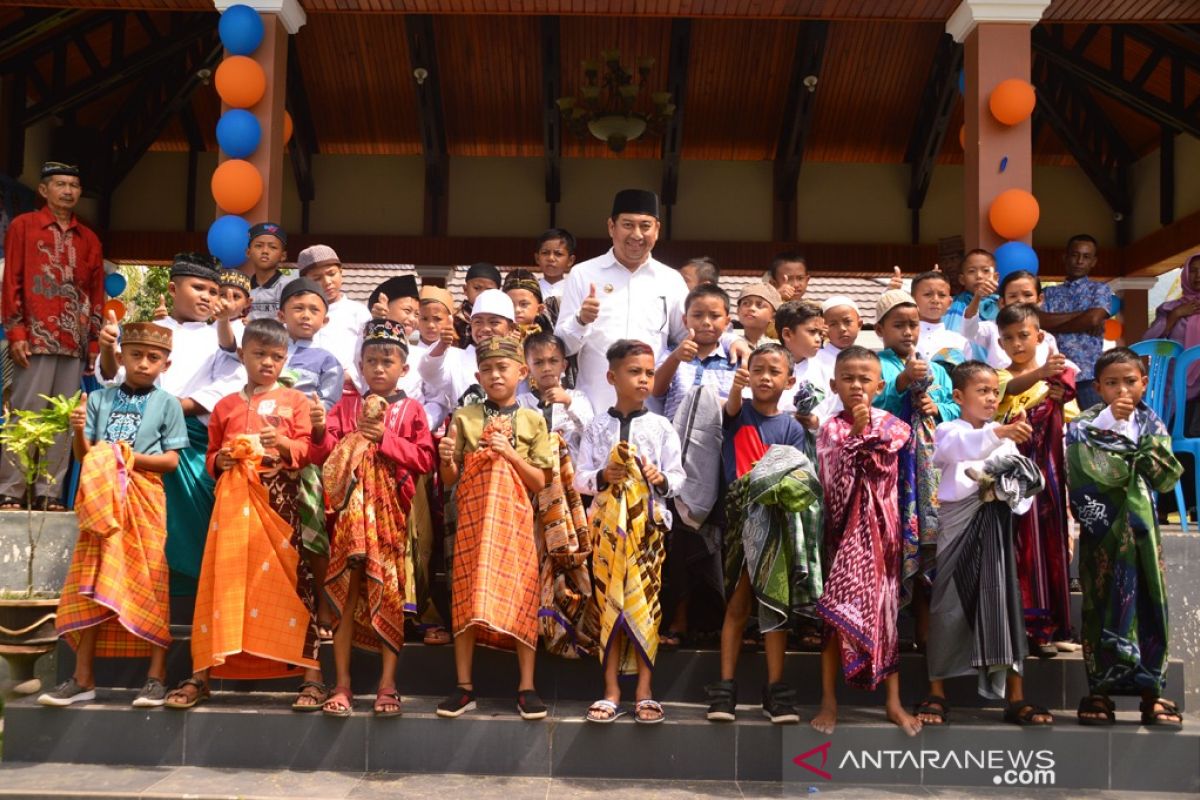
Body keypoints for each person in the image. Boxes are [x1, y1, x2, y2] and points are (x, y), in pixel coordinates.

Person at [166, 318, 322, 711]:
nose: (268, 363)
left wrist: (282, 442)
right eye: (259, 354)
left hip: (280, 501)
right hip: (233, 505)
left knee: (292, 582)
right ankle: (202, 674)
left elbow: (308, 452)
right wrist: (226, 456)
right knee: (223, 583)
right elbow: (210, 460)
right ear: (242, 355)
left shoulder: (296, 401)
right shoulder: (225, 405)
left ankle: (312, 676)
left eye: (277, 356)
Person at [38, 323, 185, 708]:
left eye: (153, 358)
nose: (144, 363)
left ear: (166, 365)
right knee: (92, 581)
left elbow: (171, 461)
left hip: (145, 499)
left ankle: (157, 676)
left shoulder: (168, 403)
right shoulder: (100, 399)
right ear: (120, 358)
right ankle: (82, 678)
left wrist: (130, 457)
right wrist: (78, 433)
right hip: (102, 500)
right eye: (135, 355)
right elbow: (85, 455)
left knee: (150, 580)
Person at [309, 319, 436, 718]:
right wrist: (317, 430)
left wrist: (385, 439)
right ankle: (342, 683)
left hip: (392, 518)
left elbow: (425, 459)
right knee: (346, 597)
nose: (379, 368)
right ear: (360, 366)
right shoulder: (346, 405)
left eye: (387, 361)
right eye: (371, 361)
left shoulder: (411, 410)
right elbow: (324, 456)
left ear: (404, 368)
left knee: (390, 595)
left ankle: (387, 684)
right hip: (348, 519)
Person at [96, 253, 242, 595]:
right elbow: (114, 376)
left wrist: (174, 408)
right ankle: (140, 585)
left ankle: (192, 591)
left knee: (197, 514)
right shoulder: (147, 330)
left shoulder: (223, 336)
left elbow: (229, 381)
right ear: (174, 289)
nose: (208, 297)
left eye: (213, 291)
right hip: (143, 434)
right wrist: (106, 348)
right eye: (199, 288)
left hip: (194, 439)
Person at [922, 360, 1049, 727]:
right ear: (959, 396)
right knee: (948, 608)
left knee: (1003, 607)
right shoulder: (948, 429)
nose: (991, 398)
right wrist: (998, 435)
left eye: (995, 391)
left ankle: (1016, 697)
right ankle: (937, 692)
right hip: (958, 530)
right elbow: (959, 449)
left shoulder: (1005, 437)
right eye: (983, 391)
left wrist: (1009, 489)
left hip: (996, 528)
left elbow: (1023, 490)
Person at [436, 335, 554, 720]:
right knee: (466, 593)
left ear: (522, 372)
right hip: (472, 515)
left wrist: (508, 455)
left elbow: (540, 481)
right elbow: (451, 479)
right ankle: (464, 686)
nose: (494, 375)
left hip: (517, 519)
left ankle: (527, 686)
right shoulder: (464, 417)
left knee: (522, 595)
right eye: (486, 369)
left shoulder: (534, 419)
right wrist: (446, 460)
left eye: (503, 367)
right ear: (477, 375)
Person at [1068, 348, 1184, 729]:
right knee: (1100, 605)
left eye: (1130, 381)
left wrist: (1135, 453)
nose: (1122, 389)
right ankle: (1100, 691)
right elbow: (1081, 476)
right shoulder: (1083, 425)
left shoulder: (1152, 424)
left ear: (1144, 383)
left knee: (1150, 604)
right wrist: (1110, 430)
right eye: (1112, 382)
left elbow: (1166, 475)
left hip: (1142, 532)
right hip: (1103, 534)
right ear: (1098, 387)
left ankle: (1152, 692)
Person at [706, 343, 821, 725]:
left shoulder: (791, 427)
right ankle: (724, 689)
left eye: (774, 371)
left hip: (774, 524)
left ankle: (776, 691)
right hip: (739, 521)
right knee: (737, 606)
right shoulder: (737, 413)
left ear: (790, 381)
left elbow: (794, 474)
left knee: (774, 607)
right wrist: (736, 387)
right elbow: (731, 409)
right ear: (747, 375)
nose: (765, 377)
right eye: (758, 370)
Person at [813, 346, 921, 736]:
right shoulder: (829, 428)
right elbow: (833, 482)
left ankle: (892, 702)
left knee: (886, 617)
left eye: (865, 379)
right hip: (841, 538)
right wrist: (856, 435)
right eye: (848, 378)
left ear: (879, 384)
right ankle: (829, 699)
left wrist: (866, 436)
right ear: (834, 383)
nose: (856, 386)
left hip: (883, 537)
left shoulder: (894, 425)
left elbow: (886, 471)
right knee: (833, 615)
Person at [575, 339, 684, 724]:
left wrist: (659, 477)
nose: (643, 379)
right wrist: (603, 475)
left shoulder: (661, 426)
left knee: (645, 607)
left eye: (649, 373)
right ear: (611, 376)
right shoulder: (596, 426)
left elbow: (679, 477)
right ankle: (610, 691)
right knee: (608, 605)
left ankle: (644, 691)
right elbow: (579, 478)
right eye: (634, 371)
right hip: (605, 531)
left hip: (647, 532)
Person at [0, 162, 104, 510]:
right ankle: (11, 490)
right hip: (35, 339)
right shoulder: (24, 226)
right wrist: (15, 331)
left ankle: (48, 493)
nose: (69, 191)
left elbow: (96, 293)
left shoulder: (89, 239)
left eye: (74, 184)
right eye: (60, 184)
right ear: (43, 190)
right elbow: (11, 280)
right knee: (26, 413)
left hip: (73, 343)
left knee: (63, 419)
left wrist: (92, 342)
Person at [555, 189, 691, 414]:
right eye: (628, 225)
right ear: (611, 227)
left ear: (657, 230)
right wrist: (581, 320)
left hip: (650, 412)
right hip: (594, 409)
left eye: (645, 226)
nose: (637, 235)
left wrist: (731, 342)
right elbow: (563, 346)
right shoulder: (583, 274)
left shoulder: (671, 280)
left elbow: (691, 336)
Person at [872, 289, 959, 642]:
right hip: (890, 468)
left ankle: (927, 637)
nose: (908, 332)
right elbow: (873, 405)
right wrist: (902, 382)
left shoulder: (938, 367)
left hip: (930, 472)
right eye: (899, 325)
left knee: (929, 549)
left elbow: (957, 409)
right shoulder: (875, 363)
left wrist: (937, 409)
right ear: (880, 329)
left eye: (914, 324)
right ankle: (888, 633)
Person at [995, 303, 1077, 658]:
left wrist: (1057, 390)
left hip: (1050, 475)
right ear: (999, 342)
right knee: (1019, 549)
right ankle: (1023, 625)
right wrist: (1043, 373)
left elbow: (1068, 416)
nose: (1017, 343)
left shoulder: (1057, 376)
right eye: (1008, 338)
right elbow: (1010, 388)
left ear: (1039, 336)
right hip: (1013, 479)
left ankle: (1052, 625)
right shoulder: (997, 378)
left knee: (1051, 548)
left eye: (1024, 335)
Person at [420, 288, 519, 422]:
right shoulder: (455, 357)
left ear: (511, 328)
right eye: (478, 322)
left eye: (494, 322)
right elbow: (428, 372)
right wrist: (442, 344)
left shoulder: (519, 361)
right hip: (463, 434)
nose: (485, 328)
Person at [1041, 234, 1112, 411]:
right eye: (1075, 255)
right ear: (1065, 258)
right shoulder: (1048, 293)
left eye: (1086, 257)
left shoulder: (1100, 289)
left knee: (1093, 430)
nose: (1079, 261)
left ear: (1093, 261)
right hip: (1055, 373)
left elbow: (1094, 318)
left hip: (1088, 375)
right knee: (1055, 431)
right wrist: (1084, 318)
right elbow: (1041, 322)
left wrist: (1055, 323)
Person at [654, 283, 738, 421]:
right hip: (676, 439)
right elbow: (656, 390)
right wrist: (676, 358)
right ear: (685, 320)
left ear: (727, 322)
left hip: (722, 438)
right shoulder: (672, 354)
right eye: (697, 315)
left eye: (714, 316)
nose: (706, 322)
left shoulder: (734, 360)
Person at [300, 245, 373, 391]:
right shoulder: (299, 313)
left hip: (348, 390)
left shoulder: (358, 312)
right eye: (317, 278)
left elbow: (368, 353)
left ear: (341, 272)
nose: (327, 282)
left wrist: (348, 376)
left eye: (331, 273)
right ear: (305, 281)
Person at [1144, 253, 1200, 434]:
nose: (1198, 276)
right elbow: (1150, 341)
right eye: (1193, 271)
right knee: (1176, 430)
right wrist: (1176, 315)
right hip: (1175, 381)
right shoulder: (1169, 309)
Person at [963, 270, 1061, 371]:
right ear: (1002, 302)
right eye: (1013, 296)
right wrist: (977, 296)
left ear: (1039, 299)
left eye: (1027, 295)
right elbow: (969, 330)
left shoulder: (1048, 339)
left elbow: (1055, 371)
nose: (1020, 300)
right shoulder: (991, 329)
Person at [517, 331, 592, 458]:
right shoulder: (522, 403)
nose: (546, 368)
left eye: (553, 361)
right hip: (536, 472)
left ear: (564, 365)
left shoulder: (577, 398)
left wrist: (568, 403)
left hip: (572, 472)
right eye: (538, 362)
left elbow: (592, 435)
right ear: (528, 369)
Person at [776, 300, 836, 450]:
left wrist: (817, 423)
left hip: (813, 453)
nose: (818, 339)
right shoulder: (765, 365)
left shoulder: (828, 368)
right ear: (787, 334)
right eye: (812, 332)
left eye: (821, 333)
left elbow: (836, 415)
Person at [910, 270, 971, 367]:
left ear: (950, 303)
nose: (935, 300)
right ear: (912, 300)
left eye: (942, 295)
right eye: (927, 294)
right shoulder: (904, 337)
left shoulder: (959, 341)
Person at [942, 249, 999, 338]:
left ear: (995, 278)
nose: (979, 276)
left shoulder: (1002, 304)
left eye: (985, 270)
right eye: (972, 271)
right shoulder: (950, 304)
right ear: (962, 279)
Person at [244, 222, 292, 320]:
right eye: (259, 246)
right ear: (248, 252)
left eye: (273, 247)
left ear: (283, 256)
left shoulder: (288, 287)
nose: (265, 251)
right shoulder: (243, 287)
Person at [453, 262, 502, 350]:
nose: (482, 294)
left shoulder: (503, 318)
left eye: (489, 290)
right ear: (465, 289)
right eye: (477, 288)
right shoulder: (455, 319)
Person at [813, 296, 862, 376]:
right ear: (824, 328)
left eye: (847, 321)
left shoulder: (867, 358)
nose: (842, 329)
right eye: (833, 324)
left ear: (859, 324)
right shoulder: (815, 360)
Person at [369, 274, 421, 341]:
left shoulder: (421, 351)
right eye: (407, 311)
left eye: (417, 314)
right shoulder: (363, 346)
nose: (412, 319)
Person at [734, 282, 782, 349]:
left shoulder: (777, 349)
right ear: (738, 311)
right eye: (746, 303)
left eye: (759, 305)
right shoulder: (728, 343)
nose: (751, 308)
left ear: (773, 317)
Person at [503, 268, 549, 336]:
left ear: (539, 309)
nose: (517, 310)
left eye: (524, 304)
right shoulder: (496, 336)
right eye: (510, 304)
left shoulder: (546, 341)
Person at [535, 228, 577, 300]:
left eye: (558, 254)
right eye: (545, 253)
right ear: (537, 258)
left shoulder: (575, 290)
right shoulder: (530, 290)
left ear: (570, 260)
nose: (551, 258)